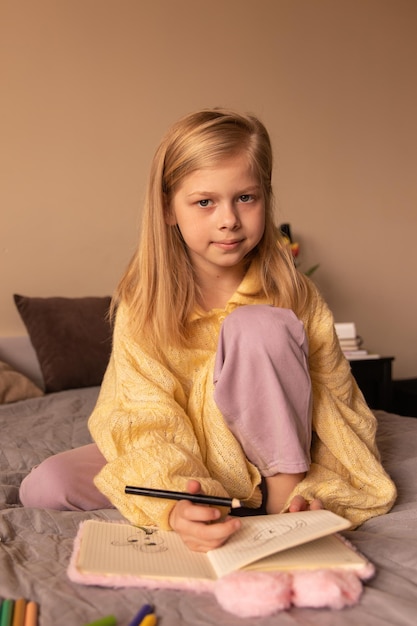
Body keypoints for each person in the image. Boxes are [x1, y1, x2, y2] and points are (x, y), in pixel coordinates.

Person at [20, 108, 396, 552]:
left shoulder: (293, 292)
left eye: (246, 198)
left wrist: (317, 491)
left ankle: (277, 503)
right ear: (168, 209)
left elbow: (337, 406)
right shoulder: (145, 303)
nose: (229, 220)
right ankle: (210, 503)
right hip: (188, 454)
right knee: (45, 486)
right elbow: (143, 413)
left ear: (266, 197)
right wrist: (175, 504)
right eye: (204, 202)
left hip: (276, 459)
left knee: (258, 327)